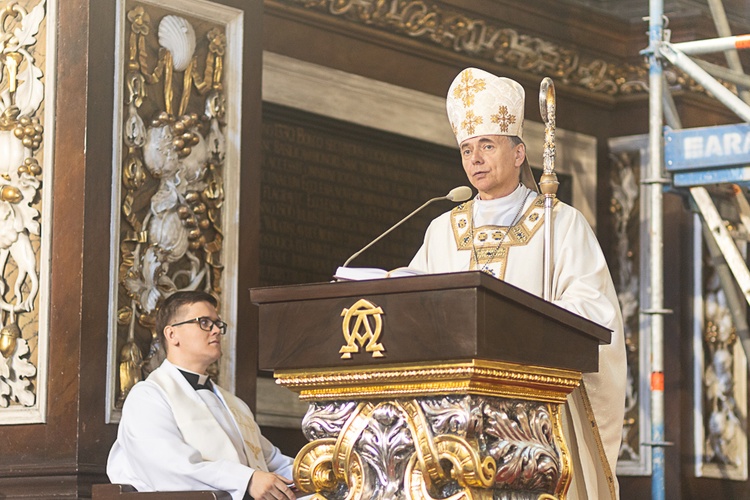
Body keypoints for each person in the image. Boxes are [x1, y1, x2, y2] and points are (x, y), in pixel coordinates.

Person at [409, 67, 627, 499]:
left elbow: (596, 312)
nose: (475, 159)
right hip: (454, 415)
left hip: (535, 414)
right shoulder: (442, 228)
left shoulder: (559, 224)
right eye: (467, 149)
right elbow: (416, 303)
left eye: (487, 145)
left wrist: (533, 321)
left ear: (519, 153)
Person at [107, 290, 297, 500]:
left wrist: (316, 470)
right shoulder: (148, 397)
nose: (216, 330)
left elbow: (271, 461)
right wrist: (247, 479)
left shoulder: (235, 404)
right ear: (172, 335)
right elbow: (170, 467)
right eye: (204, 322)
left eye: (217, 324)